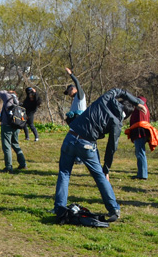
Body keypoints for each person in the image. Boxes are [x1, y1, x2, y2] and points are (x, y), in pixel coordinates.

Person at [54, 88, 145, 221]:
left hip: (71, 136)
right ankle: (113, 208)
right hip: (87, 144)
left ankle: (59, 208)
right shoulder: (117, 123)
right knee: (100, 176)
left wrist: (136, 101)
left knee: (64, 173)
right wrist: (106, 169)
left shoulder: (106, 98)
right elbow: (111, 148)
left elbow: (118, 90)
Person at [0, 89, 26, 172]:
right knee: (15, 144)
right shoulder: (16, 99)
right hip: (16, 125)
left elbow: (0, 92)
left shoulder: (7, 97)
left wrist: (7, 92)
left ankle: (8, 166)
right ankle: (23, 164)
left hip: (7, 125)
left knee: (7, 147)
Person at [126, 96, 151, 180]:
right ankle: (141, 173)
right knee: (140, 152)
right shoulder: (145, 107)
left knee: (140, 153)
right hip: (143, 132)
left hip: (139, 132)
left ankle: (142, 174)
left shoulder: (139, 108)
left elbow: (139, 122)